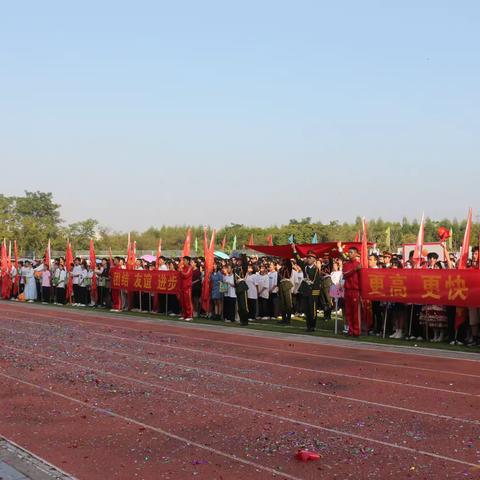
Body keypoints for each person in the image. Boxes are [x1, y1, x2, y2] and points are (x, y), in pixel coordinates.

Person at [292, 245, 323, 332]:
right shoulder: (304, 266)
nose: (308, 259)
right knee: (306, 309)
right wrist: (294, 249)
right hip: (305, 291)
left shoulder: (316, 269)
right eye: (308, 257)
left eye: (310, 258)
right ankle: (308, 326)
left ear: (314, 259)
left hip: (313, 292)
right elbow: (298, 259)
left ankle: (312, 326)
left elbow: (316, 282)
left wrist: (315, 293)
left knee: (312, 309)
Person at [339, 244, 362, 336]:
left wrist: (361, 292)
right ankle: (350, 330)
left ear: (356, 254)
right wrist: (355, 270)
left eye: (351, 252)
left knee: (355, 312)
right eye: (349, 252)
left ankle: (356, 331)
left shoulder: (359, 265)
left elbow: (361, 279)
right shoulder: (346, 264)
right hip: (347, 290)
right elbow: (345, 274)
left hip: (355, 291)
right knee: (348, 312)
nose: (349, 254)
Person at [277, 258, 294, 324]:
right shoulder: (280, 269)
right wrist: (278, 287)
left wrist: (287, 257)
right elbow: (278, 279)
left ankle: (288, 319)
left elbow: (289, 264)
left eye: (282, 260)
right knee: (282, 303)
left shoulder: (288, 267)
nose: (280, 261)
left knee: (288, 303)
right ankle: (283, 319)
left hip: (286, 284)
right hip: (281, 285)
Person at [178, 256, 193, 321]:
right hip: (182, 287)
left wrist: (181, 271)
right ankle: (184, 315)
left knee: (188, 302)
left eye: (184, 260)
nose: (183, 262)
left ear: (188, 261)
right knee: (182, 301)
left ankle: (189, 315)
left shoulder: (190, 268)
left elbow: (186, 275)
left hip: (187, 288)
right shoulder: (183, 268)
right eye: (183, 260)